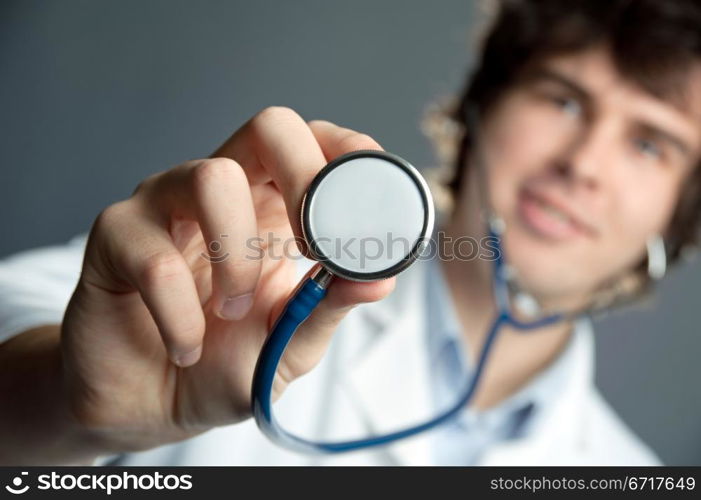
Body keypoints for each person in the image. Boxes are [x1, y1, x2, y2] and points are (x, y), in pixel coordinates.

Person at [1, 0, 700, 466]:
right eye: (562, 99)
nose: (582, 165)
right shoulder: (229, 268)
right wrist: (67, 403)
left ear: (676, 221)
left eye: (650, 145)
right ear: (477, 115)